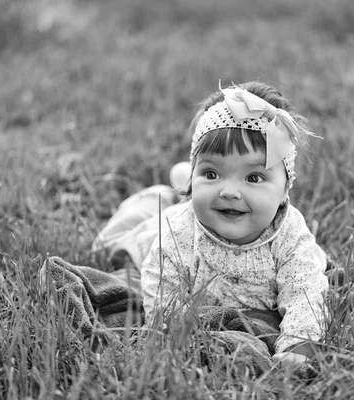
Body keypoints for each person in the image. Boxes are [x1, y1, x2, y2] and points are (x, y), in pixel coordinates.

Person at [137, 81, 331, 369]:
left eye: (253, 178)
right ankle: (181, 182)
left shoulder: (289, 236)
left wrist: (298, 345)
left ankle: (182, 178)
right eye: (211, 173)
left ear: (284, 191)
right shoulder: (180, 232)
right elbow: (161, 281)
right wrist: (171, 331)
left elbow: (304, 291)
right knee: (142, 235)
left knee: (314, 272)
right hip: (179, 224)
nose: (229, 191)